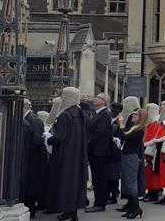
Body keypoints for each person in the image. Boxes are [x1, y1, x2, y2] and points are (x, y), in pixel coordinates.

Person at [46, 87, 88, 221]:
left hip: (66, 154)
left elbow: (59, 137)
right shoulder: (81, 113)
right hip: (79, 153)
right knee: (75, 183)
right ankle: (72, 212)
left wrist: (48, 139)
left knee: (65, 183)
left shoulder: (65, 115)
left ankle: (67, 211)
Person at [115, 107, 145, 219]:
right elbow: (121, 135)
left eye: (135, 115)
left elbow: (124, 136)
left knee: (131, 183)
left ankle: (137, 209)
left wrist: (121, 124)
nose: (133, 116)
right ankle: (132, 208)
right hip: (128, 155)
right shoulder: (134, 127)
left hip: (131, 157)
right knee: (128, 182)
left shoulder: (139, 130)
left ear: (140, 118)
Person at [20, 100, 48, 218]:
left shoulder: (34, 120)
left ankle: (30, 209)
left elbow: (37, 140)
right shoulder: (29, 119)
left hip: (34, 159)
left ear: (24, 107)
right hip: (30, 158)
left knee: (31, 184)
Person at [85, 93, 113, 213]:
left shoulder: (105, 114)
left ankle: (99, 204)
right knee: (96, 178)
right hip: (96, 151)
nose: (95, 99)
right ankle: (98, 202)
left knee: (99, 178)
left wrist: (88, 144)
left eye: (98, 98)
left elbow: (98, 132)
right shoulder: (98, 114)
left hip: (99, 151)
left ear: (103, 101)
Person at [143, 103, 161, 202]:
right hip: (148, 151)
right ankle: (150, 192)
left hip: (151, 152)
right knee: (148, 175)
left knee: (152, 175)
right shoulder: (152, 122)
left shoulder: (155, 123)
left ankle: (153, 193)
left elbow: (152, 139)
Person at [107, 102, 123, 205]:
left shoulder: (118, 121)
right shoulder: (112, 120)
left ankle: (113, 196)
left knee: (113, 175)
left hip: (115, 152)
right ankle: (114, 192)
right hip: (111, 152)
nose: (110, 111)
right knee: (112, 174)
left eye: (111, 110)